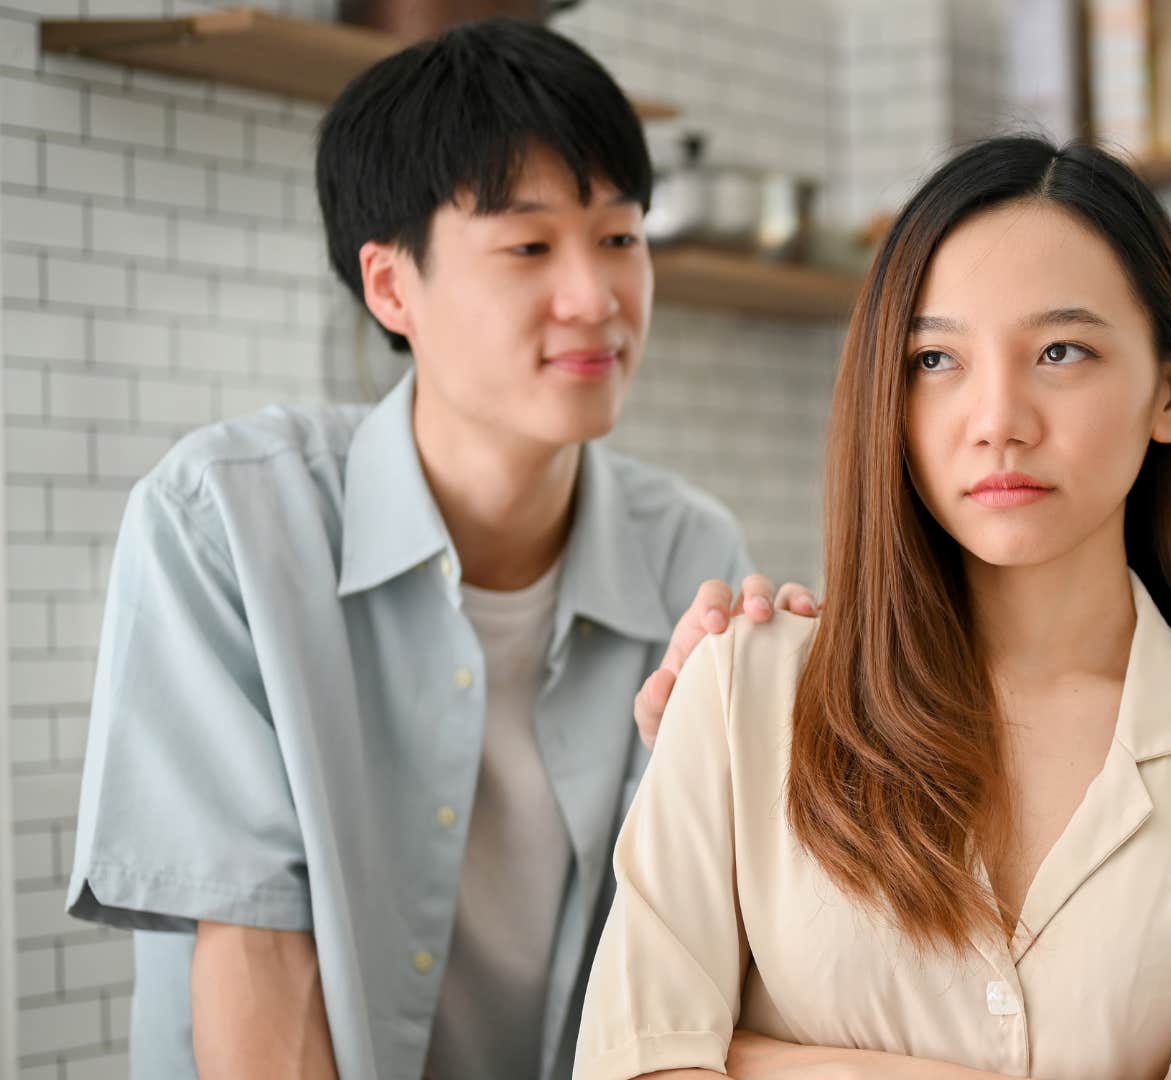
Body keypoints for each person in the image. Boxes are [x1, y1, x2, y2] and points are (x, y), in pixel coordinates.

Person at [64, 19, 809, 1079]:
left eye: (619, 238)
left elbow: (691, 957)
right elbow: (255, 956)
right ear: (390, 286)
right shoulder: (222, 522)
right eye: (529, 246)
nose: (595, 298)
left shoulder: (694, 545)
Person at [573, 135, 1171, 1079]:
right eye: (934, 359)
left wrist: (757, 1061)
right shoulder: (741, 688)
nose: (997, 418)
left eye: (1061, 350)